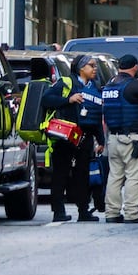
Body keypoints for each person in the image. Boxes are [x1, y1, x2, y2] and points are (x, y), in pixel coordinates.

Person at [40, 54, 104, 223]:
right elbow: (46, 99)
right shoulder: (67, 83)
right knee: (60, 174)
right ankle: (58, 211)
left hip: (85, 138)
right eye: (91, 65)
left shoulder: (95, 87)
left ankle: (84, 211)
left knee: (83, 175)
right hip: (65, 137)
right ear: (81, 68)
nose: (94, 68)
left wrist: (101, 140)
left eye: (95, 65)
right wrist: (68, 100)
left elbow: (96, 115)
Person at [100, 53, 138, 224]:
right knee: (136, 175)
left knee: (115, 176)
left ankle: (111, 213)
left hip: (113, 138)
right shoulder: (136, 86)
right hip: (133, 139)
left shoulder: (109, 86)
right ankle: (132, 213)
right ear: (135, 67)